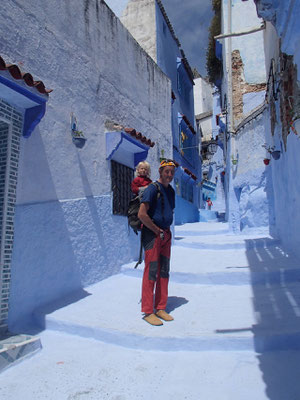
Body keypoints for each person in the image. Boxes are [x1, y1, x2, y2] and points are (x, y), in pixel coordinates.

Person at [138, 159, 176, 326]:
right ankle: (148, 311)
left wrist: (166, 231)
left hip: (165, 235)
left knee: (164, 271)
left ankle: (160, 307)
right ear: (160, 172)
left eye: (172, 172)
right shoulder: (152, 189)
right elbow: (142, 214)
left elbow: (169, 210)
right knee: (152, 272)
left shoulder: (171, 192)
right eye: (166, 172)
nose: (169, 175)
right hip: (153, 235)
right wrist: (156, 229)